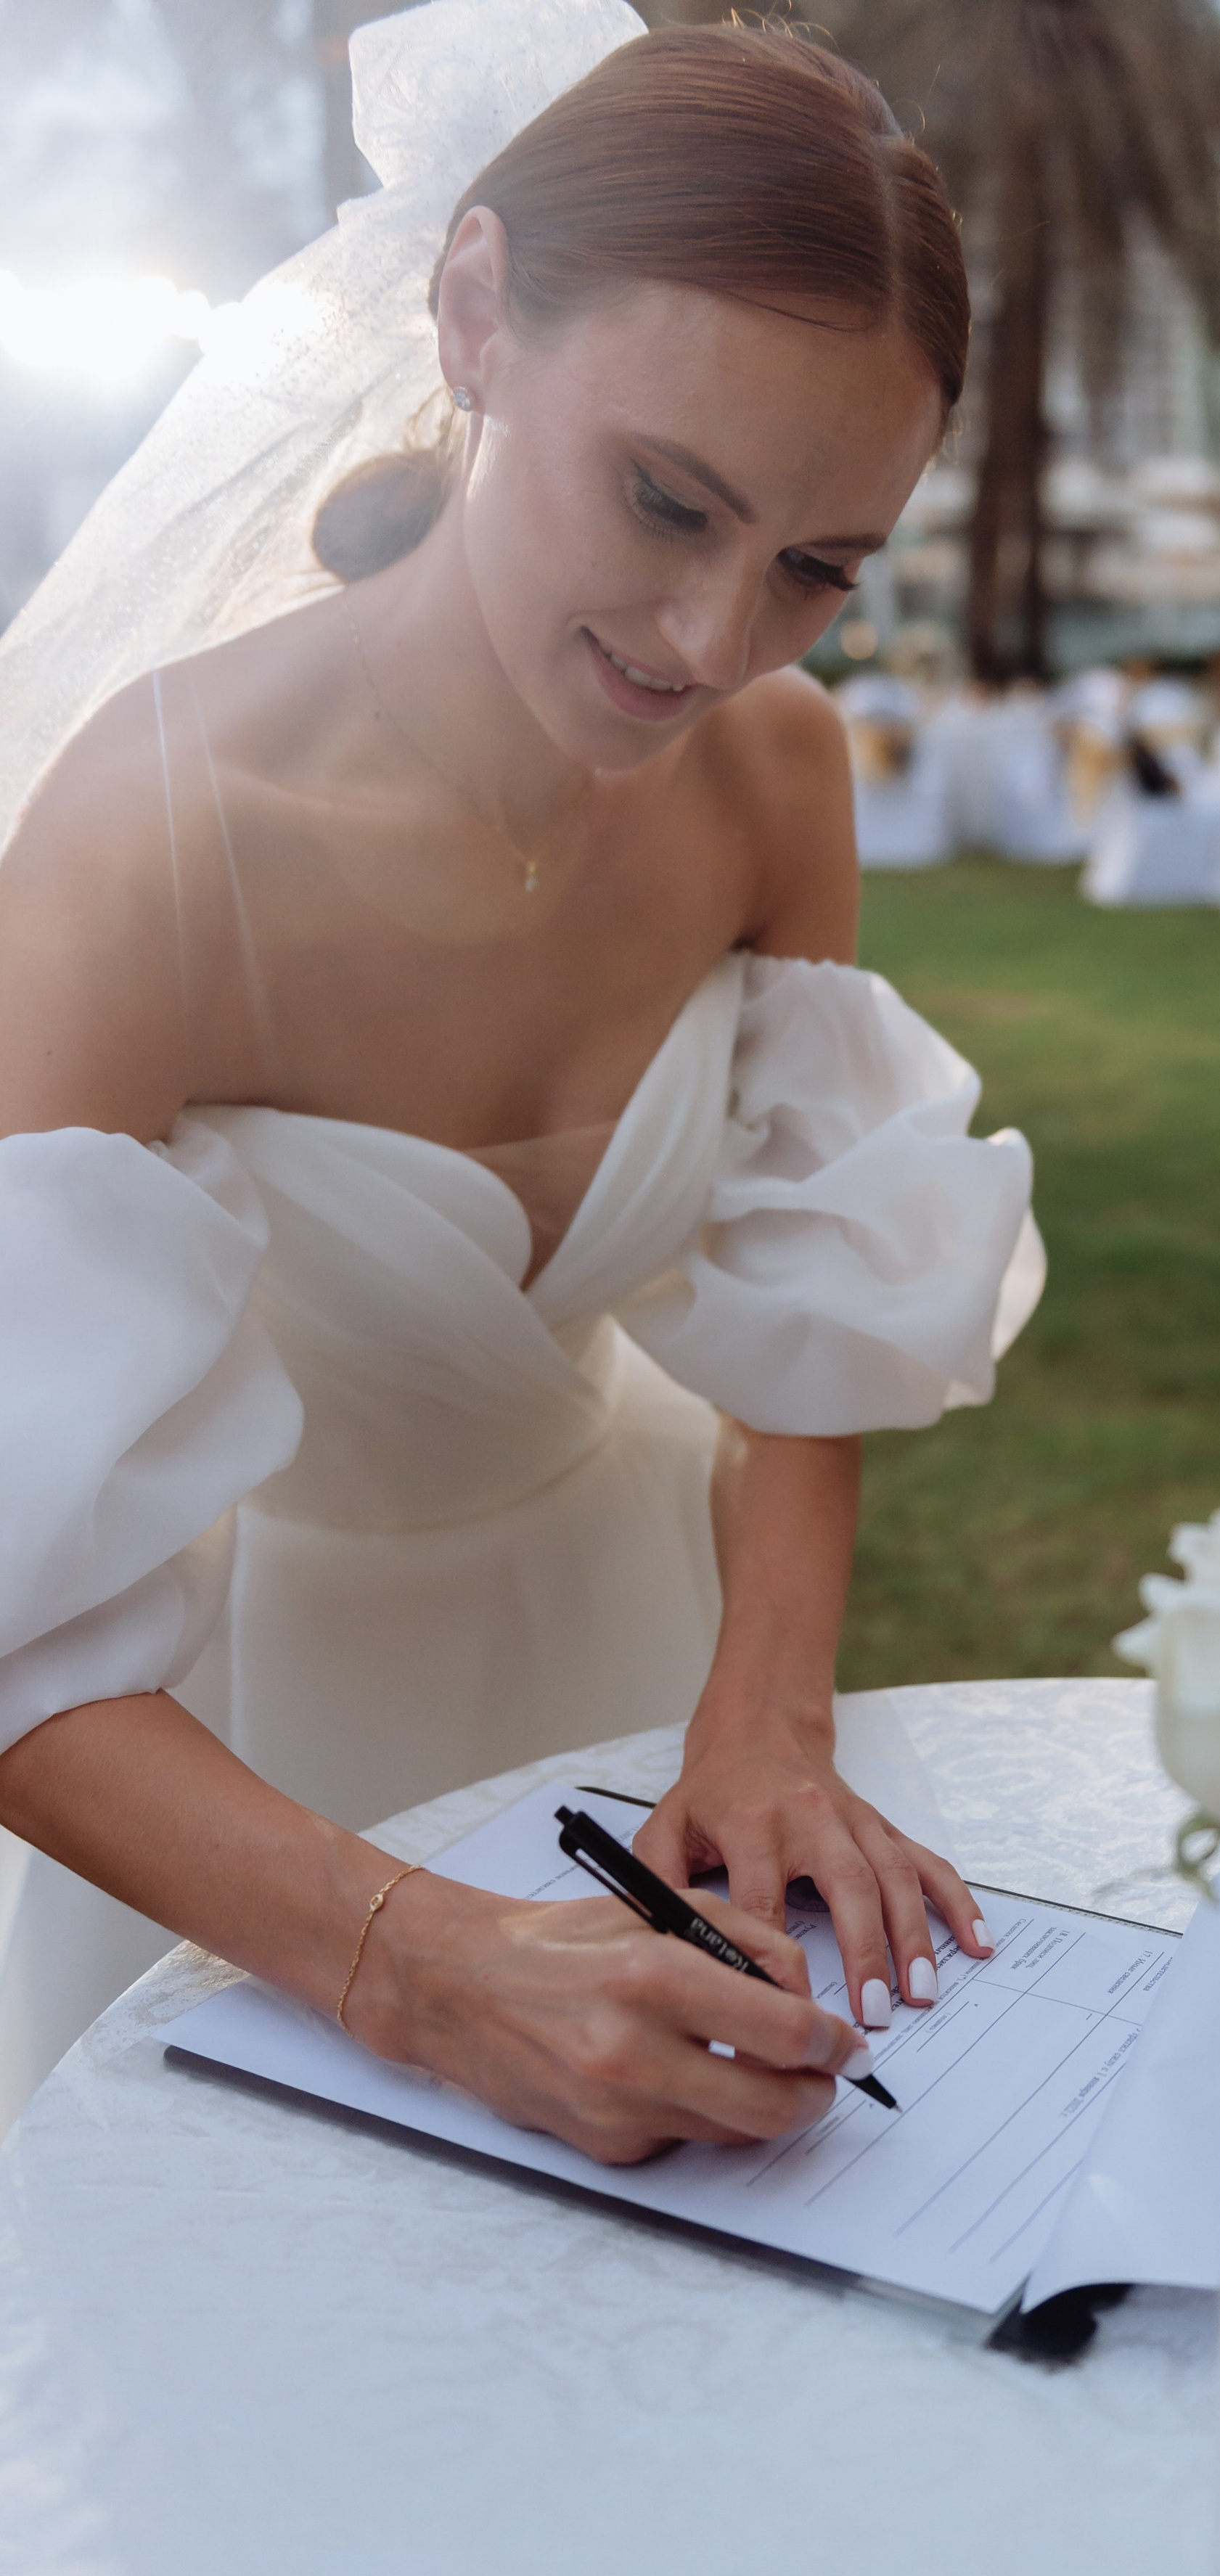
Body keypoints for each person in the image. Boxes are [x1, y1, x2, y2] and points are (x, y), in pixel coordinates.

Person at [0, 2, 1044, 2153]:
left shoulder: (777, 777)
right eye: (666, 498)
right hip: (237, 1778)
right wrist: (415, 1962)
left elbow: (808, 1316)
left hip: (627, 1640)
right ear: (477, 317)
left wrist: (762, 1709)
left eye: (818, 566)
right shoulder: (156, 834)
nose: (709, 637)